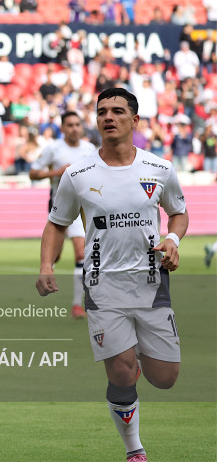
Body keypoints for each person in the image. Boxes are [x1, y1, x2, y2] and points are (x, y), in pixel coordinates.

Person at [36, 88, 188, 462]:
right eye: (102, 111)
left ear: (134, 121)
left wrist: (171, 239)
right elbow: (57, 224)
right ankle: (134, 449)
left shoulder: (160, 168)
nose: (108, 117)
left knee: (165, 378)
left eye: (118, 111)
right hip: (103, 287)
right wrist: (45, 266)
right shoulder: (78, 173)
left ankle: (128, 353)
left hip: (152, 284)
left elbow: (179, 214)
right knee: (121, 374)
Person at [29, 111, 97, 319]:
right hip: (59, 205)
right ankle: (51, 261)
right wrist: (56, 173)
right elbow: (33, 172)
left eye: (77, 124)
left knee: (80, 253)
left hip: (83, 207)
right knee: (55, 253)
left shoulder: (90, 149)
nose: (74, 128)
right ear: (63, 128)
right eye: (70, 125)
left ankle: (78, 304)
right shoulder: (53, 149)